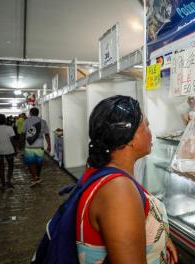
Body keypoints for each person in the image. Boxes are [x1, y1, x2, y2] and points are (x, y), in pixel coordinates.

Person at [76, 95, 178, 263]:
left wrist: (160, 238)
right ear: (130, 138)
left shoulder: (105, 172)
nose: (150, 132)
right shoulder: (118, 190)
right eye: (147, 125)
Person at [24, 107, 51, 186]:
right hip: (40, 145)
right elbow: (46, 134)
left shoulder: (26, 121)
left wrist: (21, 144)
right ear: (38, 113)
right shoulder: (43, 122)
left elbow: (23, 133)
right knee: (39, 162)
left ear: (30, 113)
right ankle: (37, 176)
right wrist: (49, 145)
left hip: (29, 145)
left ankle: (34, 177)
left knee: (30, 162)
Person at [0, 114, 17, 191]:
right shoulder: (9, 128)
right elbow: (12, 140)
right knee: (11, 165)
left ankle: (3, 184)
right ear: (4, 120)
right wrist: (15, 149)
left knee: (1, 167)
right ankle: (8, 181)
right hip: (9, 150)